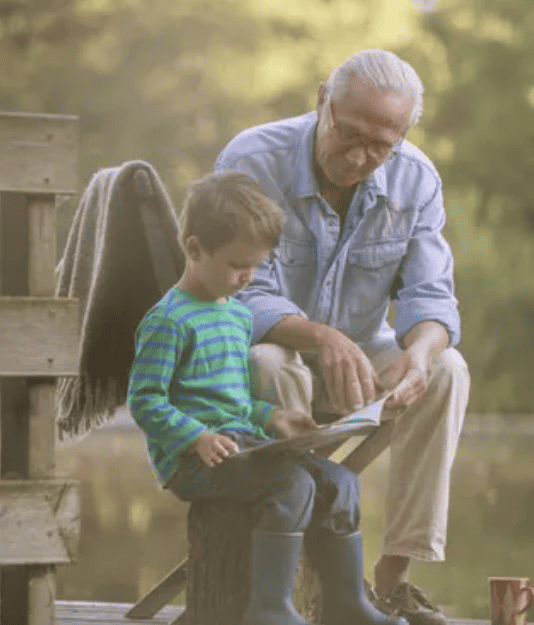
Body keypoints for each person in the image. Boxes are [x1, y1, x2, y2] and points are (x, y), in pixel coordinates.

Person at [214, 49, 470, 625]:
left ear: (402, 136)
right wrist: (322, 338)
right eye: (348, 134)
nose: (359, 157)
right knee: (270, 359)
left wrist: (419, 355)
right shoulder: (252, 160)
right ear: (322, 98)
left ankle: (394, 579)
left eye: (380, 146)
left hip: (359, 364)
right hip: (264, 370)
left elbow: (431, 300)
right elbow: (238, 297)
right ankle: (290, 577)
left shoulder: (418, 179)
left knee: (447, 368)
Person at [127, 171, 408, 625]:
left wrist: (275, 416)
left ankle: (346, 604)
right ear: (195, 248)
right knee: (289, 483)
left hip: (242, 444)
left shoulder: (237, 316)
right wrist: (196, 437)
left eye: (257, 266)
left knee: (340, 482)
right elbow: (144, 400)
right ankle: (268, 608)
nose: (248, 278)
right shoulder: (169, 321)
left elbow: (233, 401)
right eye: (238, 265)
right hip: (193, 463)